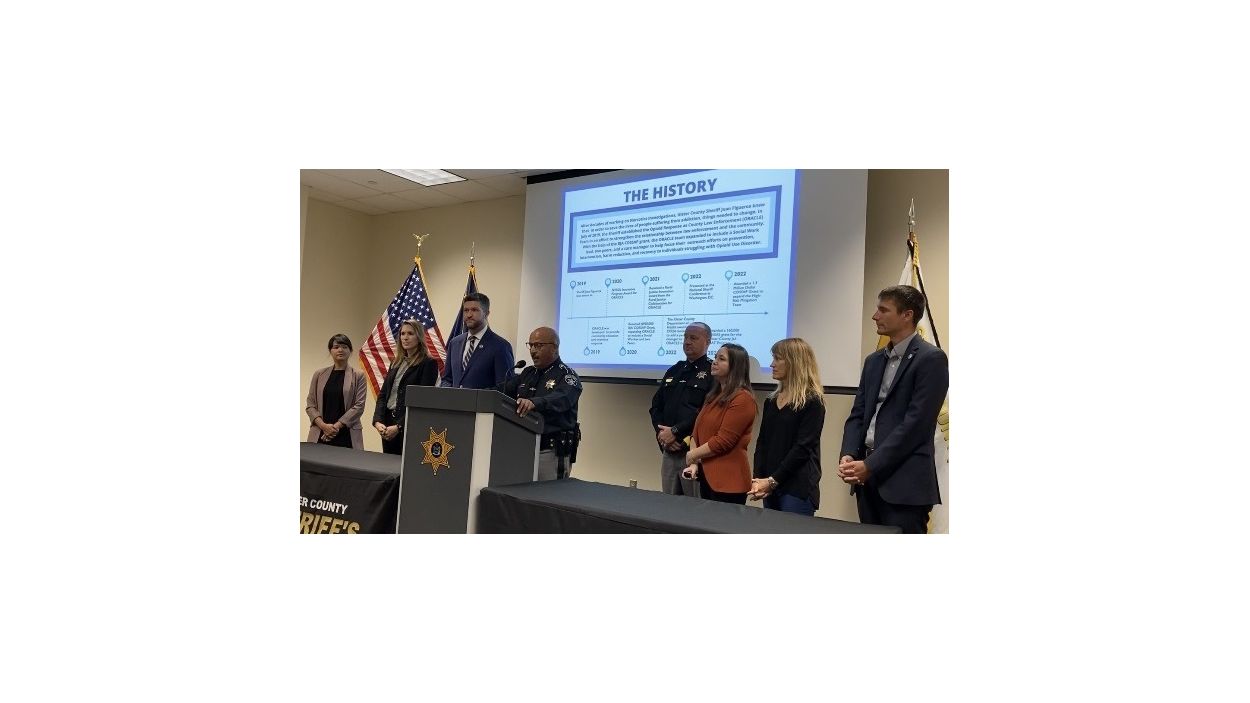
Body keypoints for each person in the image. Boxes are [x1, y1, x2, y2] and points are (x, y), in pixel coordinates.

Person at [838, 285, 948, 533]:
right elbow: (858, 414)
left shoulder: (931, 359)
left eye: (883, 310)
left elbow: (916, 424)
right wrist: (849, 454)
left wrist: (871, 465)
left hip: (904, 485)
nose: (875, 316)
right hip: (867, 482)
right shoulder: (873, 361)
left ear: (907, 315)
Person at [748, 338, 825, 516]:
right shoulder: (771, 401)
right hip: (770, 483)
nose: (771, 364)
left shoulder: (812, 401)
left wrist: (773, 480)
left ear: (794, 362)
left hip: (796, 487)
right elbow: (762, 443)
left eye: (777, 358)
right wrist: (758, 479)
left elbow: (803, 448)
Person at [496, 326, 581, 481]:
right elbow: (501, 391)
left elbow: (562, 398)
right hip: (522, 447)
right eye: (531, 345)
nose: (533, 350)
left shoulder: (567, 376)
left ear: (554, 347)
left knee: (548, 494)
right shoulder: (528, 373)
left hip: (550, 451)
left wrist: (534, 403)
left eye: (538, 345)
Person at [682, 343, 757, 505]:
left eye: (721, 359)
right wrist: (694, 463)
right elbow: (696, 431)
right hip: (707, 478)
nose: (714, 361)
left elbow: (723, 441)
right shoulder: (713, 395)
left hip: (729, 482)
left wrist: (692, 455)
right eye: (715, 357)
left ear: (735, 366)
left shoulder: (743, 398)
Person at [648, 322, 713, 497]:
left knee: (693, 505)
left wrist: (676, 432)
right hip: (668, 450)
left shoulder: (711, 372)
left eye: (693, 338)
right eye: (685, 337)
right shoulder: (674, 370)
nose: (687, 342)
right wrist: (662, 435)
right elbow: (656, 407)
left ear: (708, 341)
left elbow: (706, 413)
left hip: (693, 452)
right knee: (668, 504)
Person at [372, 319, 440, 455]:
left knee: (406, 464)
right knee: (387, 465)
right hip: (387, 423)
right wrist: (378, 421)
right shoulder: (396, 362)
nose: (405, 337)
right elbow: (383, 394)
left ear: (419, 337)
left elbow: (422, 401)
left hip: (409, 425)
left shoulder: (428, 363)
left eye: (410, 333)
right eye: (402, 334)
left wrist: (399, 426)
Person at [305, 333, 369, 449]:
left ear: (350, 351)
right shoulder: (319, 374)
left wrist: (336, 427)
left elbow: (359, 406)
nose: (340, 350)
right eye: (336, 347)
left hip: (347, 434)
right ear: (330, 350)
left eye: (344, 347)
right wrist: (324, 426)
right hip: (320, 433)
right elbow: (310, 405)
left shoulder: (358, 375)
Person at [440, 292, 515, 389]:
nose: (469, 315)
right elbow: (447, 379)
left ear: (486, 313)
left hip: (482, 399)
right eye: (466, 310)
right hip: (454, 399)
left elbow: (505, 387)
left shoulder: (501, 346)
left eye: (474, 310)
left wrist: (477, 395)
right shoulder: (454, 343)